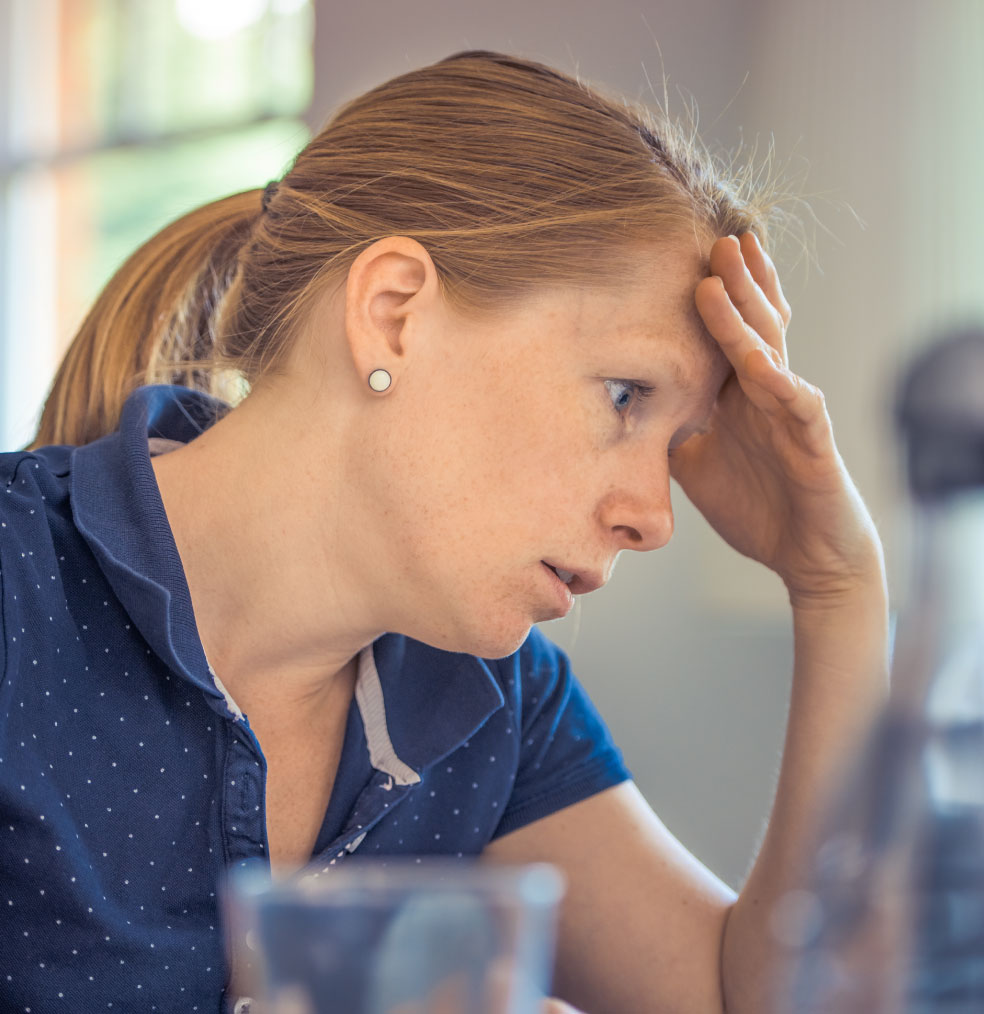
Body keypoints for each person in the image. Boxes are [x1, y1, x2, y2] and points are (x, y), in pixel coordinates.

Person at [1, 49, 888, 1014]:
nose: (655, 516)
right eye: (625, 395)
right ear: (393, 316)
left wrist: (837, 584)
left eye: (675, 444)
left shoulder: (487, 696)